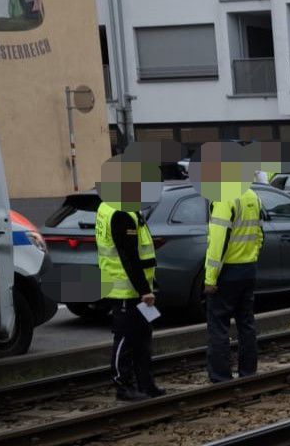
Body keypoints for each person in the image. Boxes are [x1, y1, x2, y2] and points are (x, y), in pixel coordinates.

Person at [95, 159, 163, 401]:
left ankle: (145, 383)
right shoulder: (121, 211)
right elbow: (129, 256)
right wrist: (145, 289)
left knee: (142, 336)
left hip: (133, 286)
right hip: (127, 288)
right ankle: (123, 385)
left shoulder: (114, 206)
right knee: (125, 338)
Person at [201, 156, 264, 383]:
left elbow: (218, 242)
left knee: (218, 325)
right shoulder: (252, 196)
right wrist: (252, 258)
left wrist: (210, 278)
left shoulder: (224, 198)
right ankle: (249, 371)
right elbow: (259, 235)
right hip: (248, 270)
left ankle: (220, 376)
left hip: (226, 273)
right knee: (246, 323)